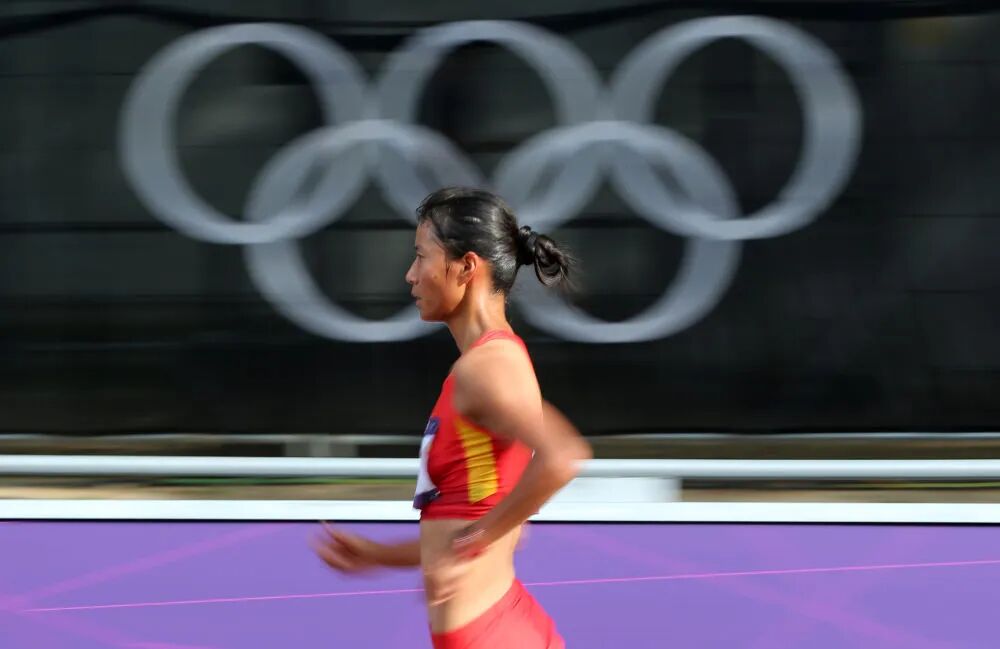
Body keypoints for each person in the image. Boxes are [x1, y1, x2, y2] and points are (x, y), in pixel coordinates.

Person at [311, 187, 592, 648]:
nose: (410, 274)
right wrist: (381, 555)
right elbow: (482, 517)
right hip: (499, 625)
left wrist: (472, 541)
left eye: (421, 256)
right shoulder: (490, 362)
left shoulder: (487, 367)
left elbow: (562, 457)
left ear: (466, 267)